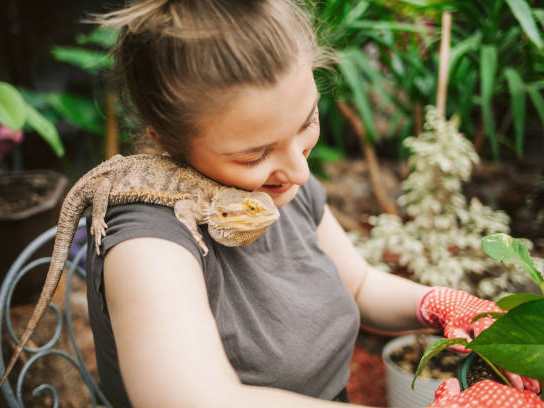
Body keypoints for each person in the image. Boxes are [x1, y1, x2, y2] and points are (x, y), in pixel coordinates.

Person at [84, 1, 542, 407]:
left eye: (307, 123)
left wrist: (442, 303)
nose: (300, 173)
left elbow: (359, 285)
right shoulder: (149, 243)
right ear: (164, 140)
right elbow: (195, 397)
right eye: (254, 154)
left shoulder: (278, 184)